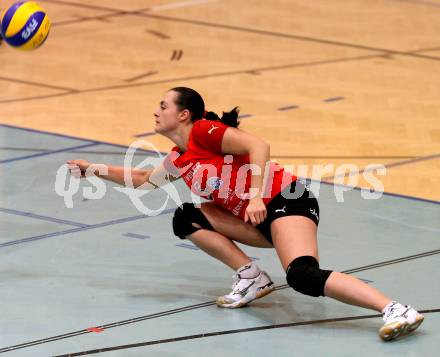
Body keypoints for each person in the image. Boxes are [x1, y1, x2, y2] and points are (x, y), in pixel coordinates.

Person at [67, 87, 424, 341]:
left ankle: (394, 308)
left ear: (184, 114)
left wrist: (255, 196)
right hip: (256, 218)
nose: (156, 111)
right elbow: (145, 181)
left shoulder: (206, 132)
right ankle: (251, 276)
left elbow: (258, 145)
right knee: (187, 217)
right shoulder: (179, 157)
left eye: (163, 105)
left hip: (288, 200)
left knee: (302, 275)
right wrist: (92, 169)